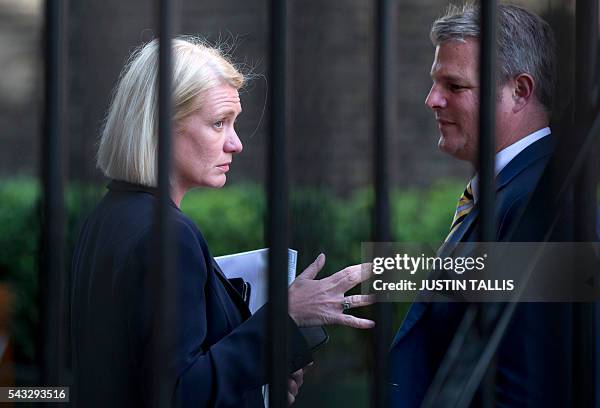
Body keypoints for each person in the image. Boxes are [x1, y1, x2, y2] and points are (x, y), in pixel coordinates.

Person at [71, 37, 374, 407]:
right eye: (218, 123)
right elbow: (179, 393)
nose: (235, 144)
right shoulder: (169, 235)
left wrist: (259, 382)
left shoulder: (107, 214)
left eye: (233, 123)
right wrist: (286, 317)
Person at [389, 4, 600, 407]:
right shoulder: (511, 190)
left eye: (454, 87)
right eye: (435, 83)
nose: (431, 100)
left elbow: (533, 387)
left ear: (521, 91)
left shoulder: (545, 205)